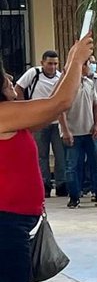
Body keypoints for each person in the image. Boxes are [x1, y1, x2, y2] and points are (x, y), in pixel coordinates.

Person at [0, 34, 93, 282]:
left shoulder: (10, 113)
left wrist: (75, 67)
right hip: (3, 227)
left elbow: (50, 105)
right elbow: (57, 104)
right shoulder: (2, 115)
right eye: (6, 80)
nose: (12, 83)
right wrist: (74, 60)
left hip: (16, 225)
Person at [59, 54, 97, 209]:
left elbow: (96, 105)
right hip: (73, 132)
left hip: (90, 131)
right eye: (88, 64)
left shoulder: (89, 82)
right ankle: (74, 196)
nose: (90, 67)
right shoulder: (65, 85)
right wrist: (66, 131)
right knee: (72, 166)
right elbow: (60, 109)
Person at [16, 50, 67, 196]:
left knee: (60, 154)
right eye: (49, 63)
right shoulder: (34, 73)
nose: (52, 67)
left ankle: (61, 184)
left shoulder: (60, 77)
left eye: (55, 64)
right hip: (38, 120)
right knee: (41, 154)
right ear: (42, 62)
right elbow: (18, 88)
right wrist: (24, 107)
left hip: (56, 121)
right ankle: (44, 184)